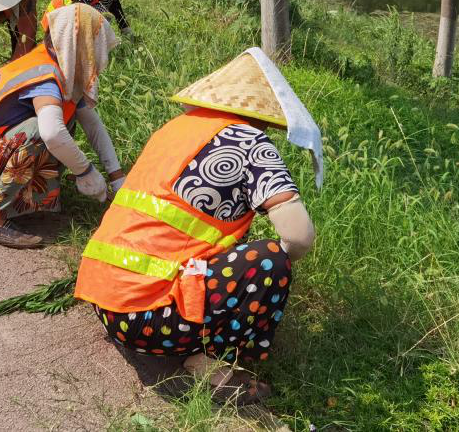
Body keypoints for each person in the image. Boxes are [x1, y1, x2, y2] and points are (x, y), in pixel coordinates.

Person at [74, 48, 321, 405]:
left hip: (104, 299)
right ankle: (206, 356)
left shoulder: (176, 129)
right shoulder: (251, 143)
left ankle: (188, 336)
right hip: (150, 323)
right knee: (271, 260)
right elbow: (299, 236)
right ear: (265, 114)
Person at [0, 4, 125, 249]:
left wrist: (117, 178)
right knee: (41, 130)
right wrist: (86, 173)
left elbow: (93, 125)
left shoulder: (54, 60)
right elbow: (52, 134)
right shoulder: (46, 76)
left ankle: (23, 200)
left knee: (63, 121)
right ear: (80, 46)